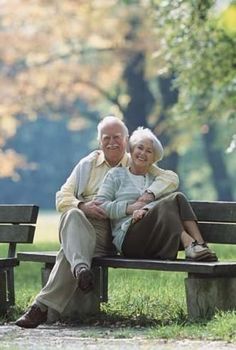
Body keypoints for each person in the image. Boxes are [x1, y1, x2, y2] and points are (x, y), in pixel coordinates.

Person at [15, 116, 179, 329]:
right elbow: (62, 197)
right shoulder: (88, 164)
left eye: (117, 137)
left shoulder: (136, 160)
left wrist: (147, 195)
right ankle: (80, 270)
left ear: (126, 139)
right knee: (72, 215)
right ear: (99, 141)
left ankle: (41, 307)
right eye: (106, 138)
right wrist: (83, 206)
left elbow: (170, 178)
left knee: (70, 252)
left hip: (114, 231)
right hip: (83, 224)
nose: (112, 142)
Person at [96, 127, 217, 262]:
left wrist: (146, 208)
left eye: (149, 151)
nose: (143, 153)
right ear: (132, 150)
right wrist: (130, 208)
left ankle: (200, 245)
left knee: (178, 197)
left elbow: (165, 199)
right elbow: (100, 205)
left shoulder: (155, 181)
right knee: (170, 201)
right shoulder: (116, 175)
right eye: (140, 148)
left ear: (153, 159)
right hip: (128, 240)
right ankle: (190, 244)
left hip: (154, 238)